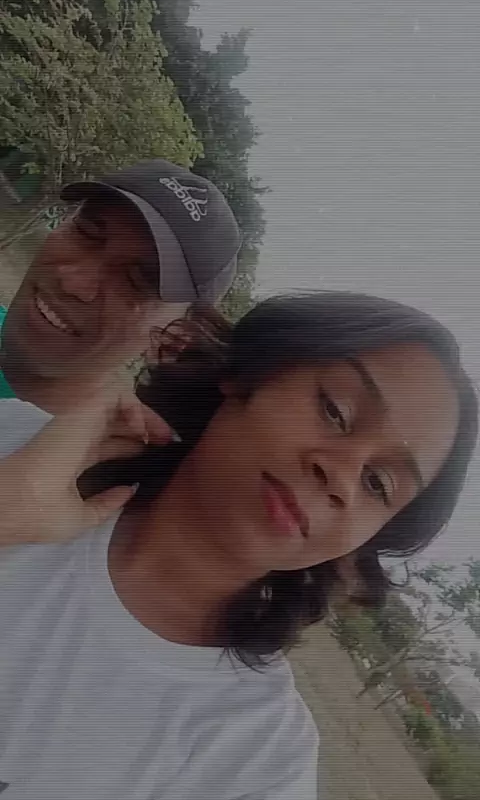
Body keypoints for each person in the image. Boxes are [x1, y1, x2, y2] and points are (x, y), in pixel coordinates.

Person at [0, 291, 476, 799]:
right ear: (252, 373)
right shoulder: (21, 450)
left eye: (378, 485)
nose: (340, 475)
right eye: (335, 411)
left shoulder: (258, 760)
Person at [0, 158, 240, 412]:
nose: (73, 283)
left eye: (137, 280)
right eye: (86, 232)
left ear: (176, 337)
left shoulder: (53, 437)